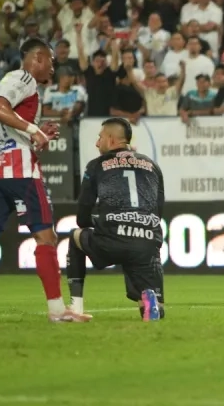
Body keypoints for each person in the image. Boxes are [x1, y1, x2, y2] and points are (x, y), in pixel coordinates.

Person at [0, 39, 89, 322]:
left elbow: (7, 123)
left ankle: (57, 311)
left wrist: (38, 134)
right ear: (38, 57)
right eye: (51, 62)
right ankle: (57, 311)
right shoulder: (23, 78)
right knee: (46, 236)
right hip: (20, 171)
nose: (52, 69)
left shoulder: (23, 87)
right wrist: (34, 131)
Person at [69, 118, 166, 322]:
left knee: (75, 237)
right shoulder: (152, 165)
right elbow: (158, 211)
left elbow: (83, 213)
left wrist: (97, 223)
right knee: (139, 259)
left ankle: (76, 308)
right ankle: (149, 299)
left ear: (112, 140)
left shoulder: (97, 165)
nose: (97, 143)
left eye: (100, 137)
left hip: (112, 238)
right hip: (146, 241)